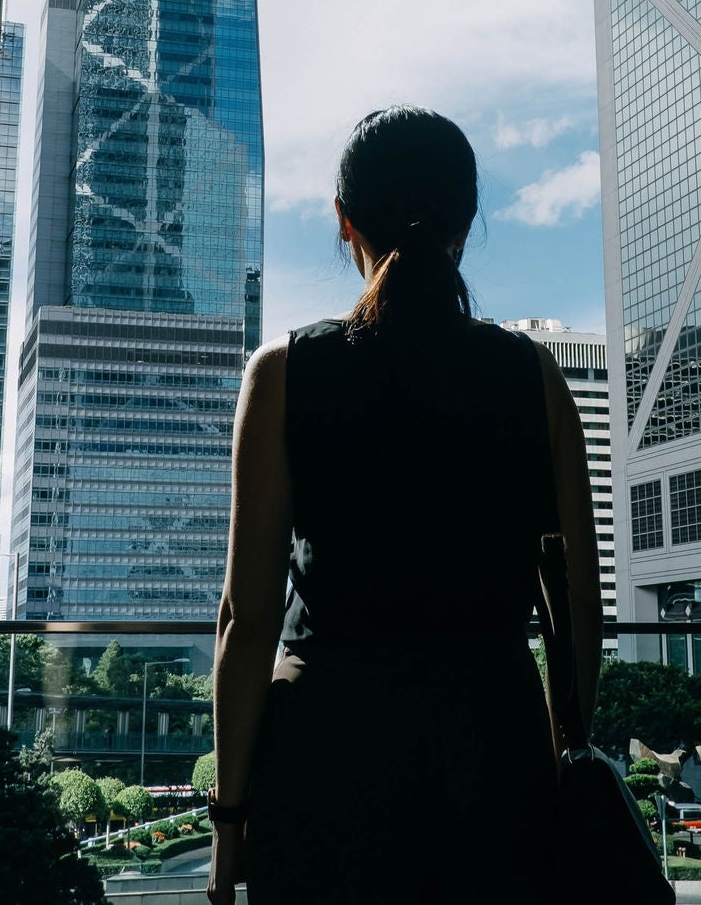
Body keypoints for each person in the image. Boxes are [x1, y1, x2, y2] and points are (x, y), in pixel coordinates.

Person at [207, 106, 602, 905]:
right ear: (464, 227)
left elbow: (245, 622)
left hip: (327, 765)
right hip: (493, 754)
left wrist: (230, 826)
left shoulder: (283, 374)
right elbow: (579, 608)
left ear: (343, 222)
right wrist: (564, 754)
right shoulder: (535, 377)